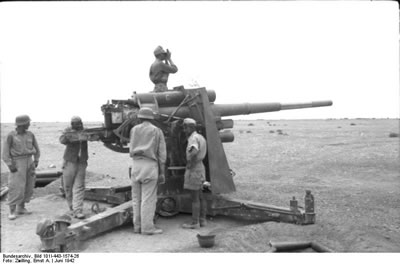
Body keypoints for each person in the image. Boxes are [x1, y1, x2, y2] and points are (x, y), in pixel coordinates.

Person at [129, 107, 167, 235]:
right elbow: (162, 154)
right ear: (152, 118)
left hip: (135, 165)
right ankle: (147, 228)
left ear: (140, 117)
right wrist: (162, 172)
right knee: (148, 199)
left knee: (136, 199)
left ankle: (137, 227)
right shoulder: (156, 131)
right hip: (150, 166)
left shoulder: (134, 130)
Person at [2, 115, 40, 220]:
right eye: (28, 122)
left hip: (29, 161)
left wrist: (36, 160)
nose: (29, 124)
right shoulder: (11, 136)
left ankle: (21, 208)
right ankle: (12, 211)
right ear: (22, 124)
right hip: (17, 162)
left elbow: (37, 148)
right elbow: (5, 153)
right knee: (15, 186)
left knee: (28, 185)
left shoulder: (30, 134)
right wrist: (10, 164)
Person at [59, 116, 88, 219]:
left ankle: (77, 210)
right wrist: (71, 135)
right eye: (76, 124)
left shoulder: (85, 131)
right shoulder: (68, 131)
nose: (79, 125)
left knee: (79, 186)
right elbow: (62, 140)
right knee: (68, 187)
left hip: (81, 161)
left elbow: (95, 137)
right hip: (70, 161)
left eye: (80, 123)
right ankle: (71, 208)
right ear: (72, 124)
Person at [181, 118, 208, 229]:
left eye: (185, 127)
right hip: (200, 168)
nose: (184, 129)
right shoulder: (200, 137)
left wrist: (190, 164)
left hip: (195, 169)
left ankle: (194, 223)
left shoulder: (193, 138)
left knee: (194, 198)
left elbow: (194, 151)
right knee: (200, 197)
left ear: (191, 127)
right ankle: (202, 220)